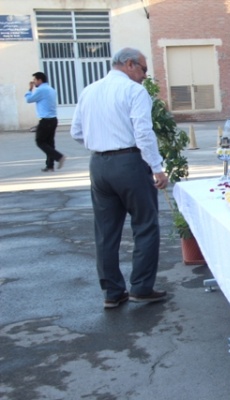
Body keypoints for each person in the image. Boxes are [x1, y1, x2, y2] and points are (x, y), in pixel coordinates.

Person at [70, 47, 169, 309]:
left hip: (99, 165)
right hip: (130, 162)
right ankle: (141, 287)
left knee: (105, 232)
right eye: (143, 69)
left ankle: (112, 292)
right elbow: (143, 132)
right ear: (129, 64)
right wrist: (157, 167)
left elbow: (76, 132)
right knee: (145, 224)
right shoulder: (134, 91)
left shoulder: (89, 90)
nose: (145, 75)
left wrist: (101, 144)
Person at [25, 72, 66, 172]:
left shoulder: (41, 90)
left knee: (40, 141)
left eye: (35, 80)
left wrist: (30, 89)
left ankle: (59, 157)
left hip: (45, 120)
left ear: (40, 80)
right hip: (53, 119)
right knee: (49, 143)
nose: (34, 82)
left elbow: (29, 99)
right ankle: (50, 165)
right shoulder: (51, 89)